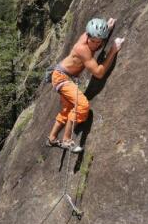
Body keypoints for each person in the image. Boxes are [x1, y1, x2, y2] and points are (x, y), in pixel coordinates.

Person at [47, 17, 125, 152]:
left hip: (63, 76)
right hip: (62, 77)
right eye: (93, 41)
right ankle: (67, 140)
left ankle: (52, 139)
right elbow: (99, 73)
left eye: (99, 42)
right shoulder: (82, 48)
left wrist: (107, 27)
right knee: (82, 105)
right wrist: (113, 50)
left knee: (66, 110)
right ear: (87, 36)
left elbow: (97, 35)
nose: (95, 44)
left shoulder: (93, 35)